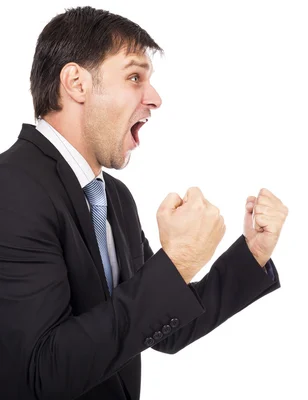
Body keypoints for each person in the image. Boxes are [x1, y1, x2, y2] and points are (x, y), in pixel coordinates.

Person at [0, 6, 288, 400]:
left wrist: (251, 254)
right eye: (135, 77)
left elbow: (163, 325)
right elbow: (42, 374)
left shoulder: (113, 197)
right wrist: (177, 263)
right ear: (76, 83)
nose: (154, 98)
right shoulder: (11, 187)